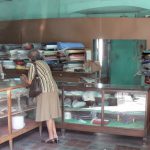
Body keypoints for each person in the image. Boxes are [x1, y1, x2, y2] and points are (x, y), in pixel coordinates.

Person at [21, 49, 61, 144]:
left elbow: (30, 82)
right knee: (51, 115)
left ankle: (51, 138)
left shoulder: (33, 65)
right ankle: (55, 136)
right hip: (53, 89)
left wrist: (23, 78)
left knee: (47, 115)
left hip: (44, 91)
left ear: (30, 58)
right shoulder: (45, 63)